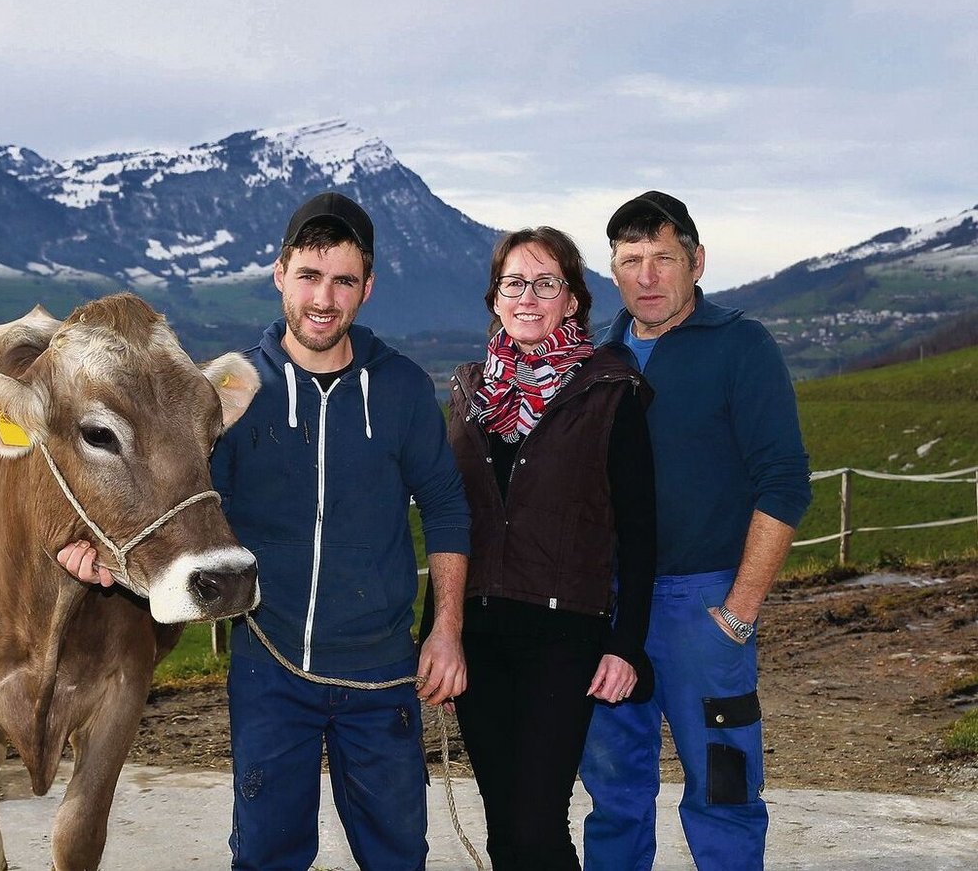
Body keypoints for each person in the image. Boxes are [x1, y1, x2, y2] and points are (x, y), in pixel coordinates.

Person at [58, 190, 471, 870]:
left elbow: (448, 506)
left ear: (367, 287)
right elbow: (158, 495)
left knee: (397, 855)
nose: (323, 299)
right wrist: (88, 546)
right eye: (309, 275)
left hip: (381, 676)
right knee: (267, 855)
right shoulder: (224, 391)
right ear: (280, 274)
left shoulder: (399, 388)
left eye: (343, 280)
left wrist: (446, 629)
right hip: (269, 668)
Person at [578, 191, 813, 871]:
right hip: (612, 608)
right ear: (613, 272)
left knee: (724, 787)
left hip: (702, 604)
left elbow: (784, 481)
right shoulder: (600, 360)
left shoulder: (741, 345)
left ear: (696, 261)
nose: (646, 276)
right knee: (613, 790)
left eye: (662, 258)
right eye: (630, 261)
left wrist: (738, 612)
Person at [441, 226, 655, 870]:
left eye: (545, 283)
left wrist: (627, 644)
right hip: (478, 636)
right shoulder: (469, 395)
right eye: (514, 284)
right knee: (505, 828)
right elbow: (453, 523)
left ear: (572, 301)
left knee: (537, 825)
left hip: (564, 637)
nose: (527, 297)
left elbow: (641, 531)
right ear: (495, 299)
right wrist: (438, 634)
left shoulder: (609, 391)